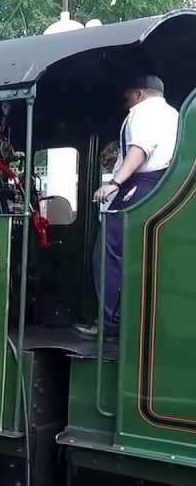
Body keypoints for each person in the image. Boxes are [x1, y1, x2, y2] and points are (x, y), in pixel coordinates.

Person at [73, 75, 178, 341]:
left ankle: (111, 323)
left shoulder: (143, 112)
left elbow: (140, 149)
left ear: (140, 94)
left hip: (140, 185)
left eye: (128, 95)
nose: (125, 100)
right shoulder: (174, 114)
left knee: (110, 253)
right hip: (161, 187)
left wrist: (116, 183)